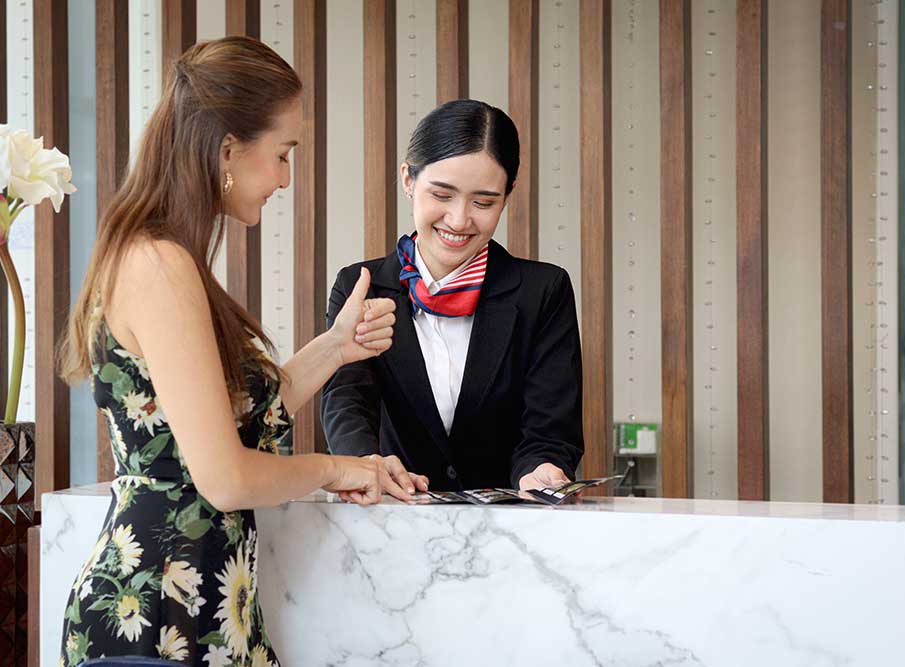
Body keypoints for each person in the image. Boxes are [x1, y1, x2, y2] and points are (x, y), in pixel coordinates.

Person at [57, 37, 393, 666]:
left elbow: (233, 419)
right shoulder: (158, 264)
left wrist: (335, 347)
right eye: (283, 154)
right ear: (229, 149)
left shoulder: (163, 256)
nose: (287, 178)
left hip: (199, 605)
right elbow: (226, 475)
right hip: (155, 618)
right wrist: (333, 467)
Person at [321, 99, 584, 497]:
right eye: (442, 195)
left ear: (508, 195)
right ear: (409, 180)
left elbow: (550, 425)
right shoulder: (361, 286)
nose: (459, 220)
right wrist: (363, 460)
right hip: (395, 516)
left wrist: (541, 468)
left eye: (484, 202)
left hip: (511, 527)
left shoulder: (543, 292)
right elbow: (347, 398)